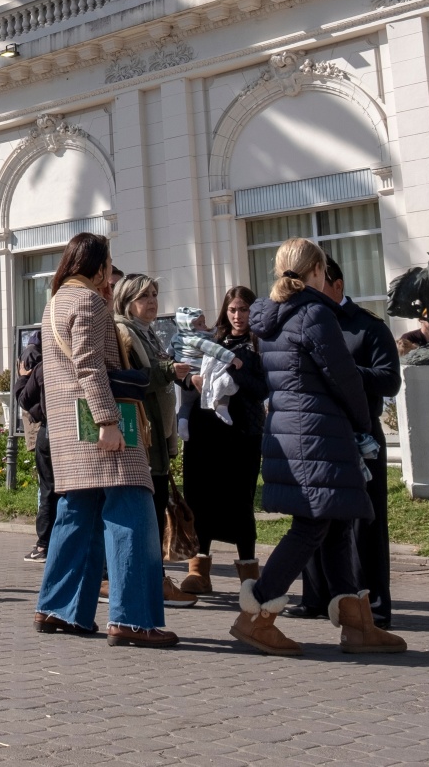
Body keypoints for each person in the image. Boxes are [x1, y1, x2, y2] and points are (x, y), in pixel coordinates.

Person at [233, 238, 403, 657]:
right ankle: (256, 616)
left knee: (335, 521)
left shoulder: (272, 319)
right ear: (315, 272)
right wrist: (363, 425)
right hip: (319, 431)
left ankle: (357, 621)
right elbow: (343, 377)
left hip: (291, 431)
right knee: (313, 525)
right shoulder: (314, 313)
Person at [30, 233, 174, 646]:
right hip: (101, 428)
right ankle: (134, 618)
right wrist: (109, 420)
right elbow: (90, 366)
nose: (111, 273)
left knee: (78, 515)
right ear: (96, 264)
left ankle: (59, 608)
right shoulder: (90, 302)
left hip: (68, 432)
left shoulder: (55, 302)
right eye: (108, 264)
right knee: (134, 512)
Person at [297, 257, 402, 628]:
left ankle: (372, 604)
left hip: (361, 437)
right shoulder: (305, 324)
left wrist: (344, 372)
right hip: (318, 435)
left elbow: (389, 380)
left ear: (336, 286)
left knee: (364, 523)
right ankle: (317, 597)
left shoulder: (368, 327)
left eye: (315, 281)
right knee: (314, 515)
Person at [107, 273, 199, 609]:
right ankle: (151, 582)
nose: (152, 302)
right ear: (127, 300)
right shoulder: (123, 331)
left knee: (156, 509)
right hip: (140, 434)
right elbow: (129, 380)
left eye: (155, 295)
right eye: (144, 296)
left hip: (157, 432)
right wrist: (166, 372)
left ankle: (154, 578)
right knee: (148, 512)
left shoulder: (148, 333)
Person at [180, 285, 268, 596]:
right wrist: (190, 379)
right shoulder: (211, 340)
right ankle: (199, 570)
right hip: (205, 432)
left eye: (243, 309)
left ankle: (249, 575)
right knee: (200, 499)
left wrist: (238, 368)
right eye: (232, 309)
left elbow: (262, 390)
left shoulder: (261, 344)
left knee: (240, 501)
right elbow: (185, 369)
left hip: (242, 433)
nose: (238, 316)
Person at [16, 329, 52, 563]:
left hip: (49, 434)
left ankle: (44, 544)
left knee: (49, 489)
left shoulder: (38, 365)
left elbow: (25, 399)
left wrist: (22, 377)